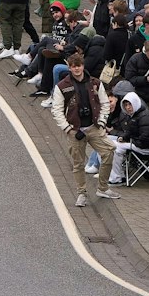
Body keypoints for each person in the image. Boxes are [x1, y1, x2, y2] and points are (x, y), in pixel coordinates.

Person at [49, 53, 120, 209]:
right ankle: (81, 193)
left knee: (109, 151)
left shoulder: (95, 83)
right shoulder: (62, 86)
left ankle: (102, 187)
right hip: (75, 130)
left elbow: (104, 103)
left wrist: (101, 122)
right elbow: (57, 110)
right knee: (78, 164)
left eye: (79, 65)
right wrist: (68, 129)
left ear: (83, 65)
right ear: (69, 67)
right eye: (73, 66)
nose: (77, 69)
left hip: (94, 127)